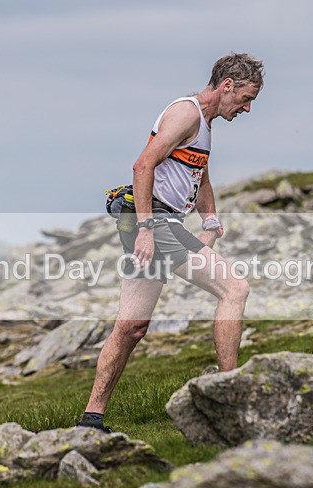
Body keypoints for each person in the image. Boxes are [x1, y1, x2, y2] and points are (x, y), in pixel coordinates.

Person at [78, 53, 265, 433]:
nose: (247, 109)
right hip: (151, 218)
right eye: (246, 99)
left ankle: (91, 419)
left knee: (131, 327)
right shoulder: (187, 113)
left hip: (151, 219)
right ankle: (230, 397)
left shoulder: (204, 124)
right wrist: (146, 228)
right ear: (227, 85)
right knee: (235, 288)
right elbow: (142, 165)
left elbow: (201, 176)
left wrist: (210, 219)